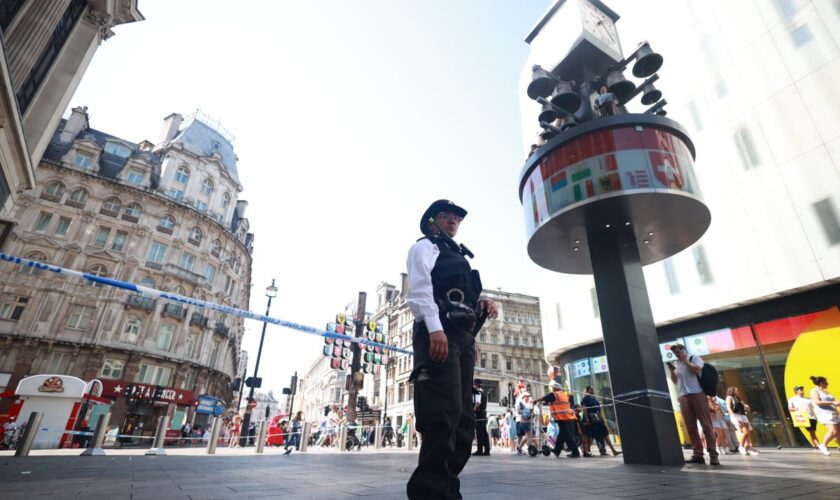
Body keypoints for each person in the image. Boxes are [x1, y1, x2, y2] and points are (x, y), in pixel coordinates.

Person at [406, 199, 498, 500]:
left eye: (457, 218)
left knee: (463, 423)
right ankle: (429, 494)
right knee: (441, 417)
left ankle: (446, 490)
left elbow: (461, 295)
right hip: (438, 334)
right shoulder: (424, 247)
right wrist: (435, 328)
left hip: (463, 338)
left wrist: (481, 303)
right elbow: (419, 290)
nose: (453, 222)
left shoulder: (457, 255)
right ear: (432, 221)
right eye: (447, 216)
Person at [668, 343, 719, 465]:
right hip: (683, 396)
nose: (676, 354)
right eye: (675, 353)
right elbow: (675, 381)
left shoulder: (694, 358)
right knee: (691, 427)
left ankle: (713, 455)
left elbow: (696, 369)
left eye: (678, 352)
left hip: (698, 394)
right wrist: (672, 371)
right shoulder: (676, 363)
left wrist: (685, 361)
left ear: (684, 350)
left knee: (706, 425)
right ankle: (698, 454)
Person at [535, 381, 580, 458]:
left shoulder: (554, 394)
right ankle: (557, 450)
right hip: (568, 417)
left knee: (567, 435)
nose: (552, 389)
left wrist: (535, 401)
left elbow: (544, 398)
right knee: (562, 435)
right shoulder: (564, 395)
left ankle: (575, 452)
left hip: (562, 418)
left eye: (553, 388)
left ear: (555, 388)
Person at [581, 386, 621, 456]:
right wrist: (587, 419)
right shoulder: (586, 398)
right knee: (590, 435)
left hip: (597, 419)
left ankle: (610, 450)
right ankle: (587, 451)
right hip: (591, 420)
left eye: (593, 389)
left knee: (603, 432)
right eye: (591, 389)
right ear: (587, 390)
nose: (593, 390)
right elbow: (585, 409)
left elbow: (598, 409)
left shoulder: (594, 398)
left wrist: (601, 418)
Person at [809, 375, 840, 456]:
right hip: (825, 414)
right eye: (826, 382)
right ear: (821, 383)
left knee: (838, 433)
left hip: (834, 413)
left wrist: (836, 403)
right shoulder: (814, 391)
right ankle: (823, 445)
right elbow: (816, 402)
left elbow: (833, 402)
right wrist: (833, 403)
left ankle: (838, 443)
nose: (827, 383)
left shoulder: (825, 391)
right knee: (833, 431)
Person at [725, 387, 756, 455]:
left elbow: (745, 406)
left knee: (747, 433)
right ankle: (741, 446)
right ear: (732, 391)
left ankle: (748, 448)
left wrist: (746, 407)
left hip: (743, 415)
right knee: (744, 432)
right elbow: (728, 407)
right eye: (737, 390)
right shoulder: (729, 397)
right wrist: (733, 416)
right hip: (736, 415)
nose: (738, 391)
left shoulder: (738, 398)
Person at [788, 385, 819, 449]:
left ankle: (814, 445)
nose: (803, 390)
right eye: (801, 389)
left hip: (813, 417)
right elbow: (790, 408)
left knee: (812, 432)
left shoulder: (808, 399)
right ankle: (819, 445)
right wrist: (795, 409)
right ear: (796, 391)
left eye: (802, 389)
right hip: (804, 417)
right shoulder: (792, 399)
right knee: (812, 431)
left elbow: (815, 406)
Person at [472, 379, 490, 456]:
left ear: (476, 385)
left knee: (480, 433)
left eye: (474, 385)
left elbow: (478, 402)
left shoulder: (478, 392)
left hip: (479, 414)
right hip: (483, 413)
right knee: (484, 433)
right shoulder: (483, 392)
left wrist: (473, 410)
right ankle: (487, 450)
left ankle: (479, 451)